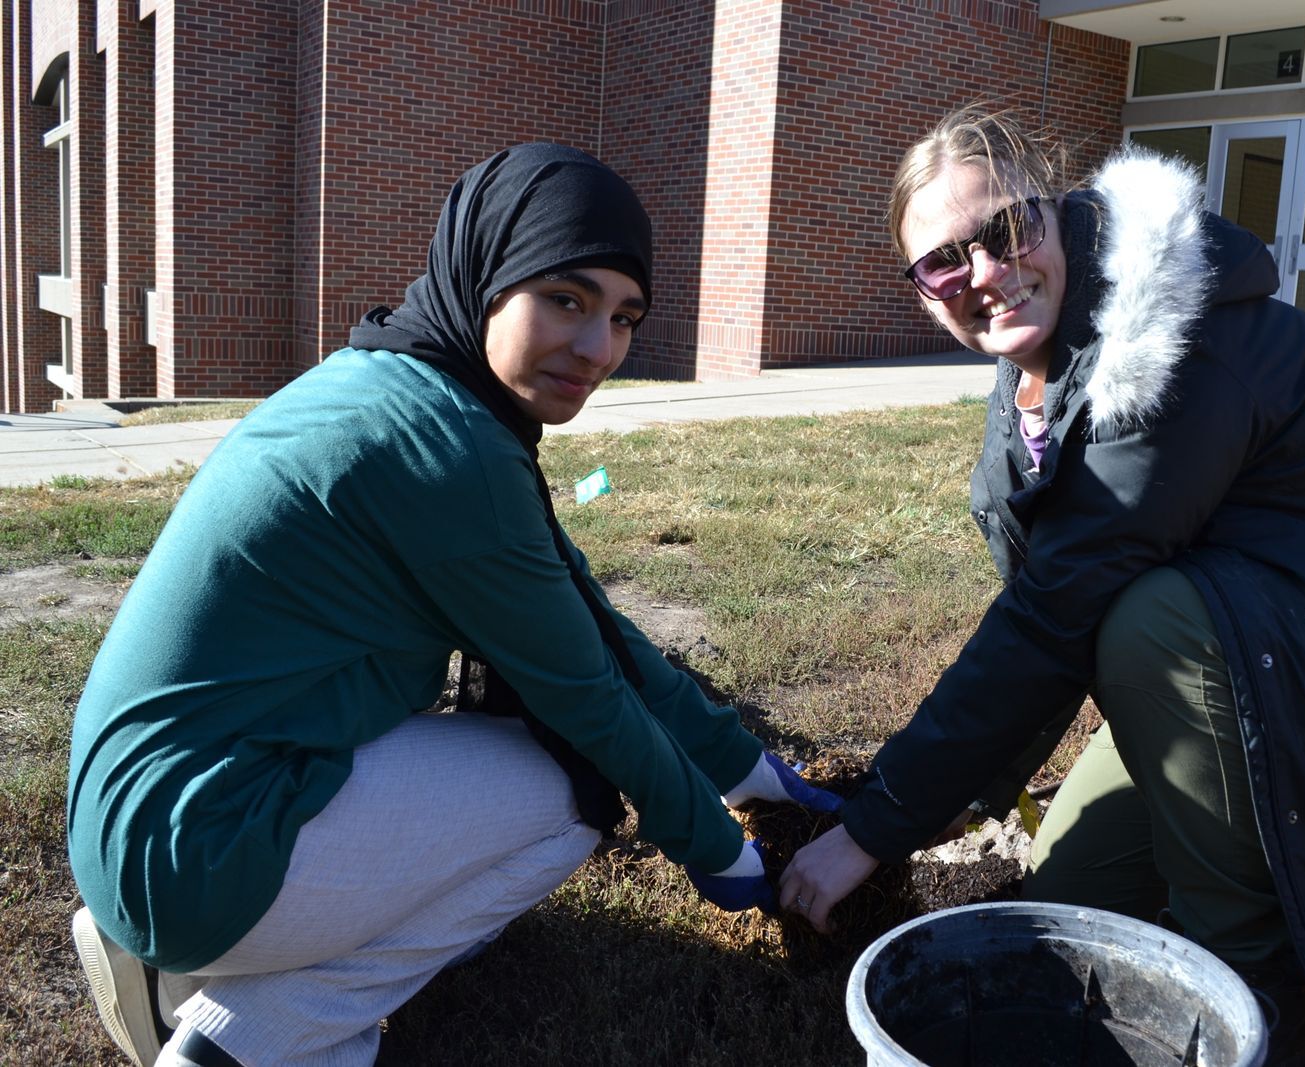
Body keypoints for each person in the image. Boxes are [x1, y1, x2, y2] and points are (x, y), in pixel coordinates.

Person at [779, 104, 1305, 1066]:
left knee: (1148, 623)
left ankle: (1260, 1000)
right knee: (1069, 893)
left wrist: (870, 830)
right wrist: (948, 790)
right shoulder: (1048, 351)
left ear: (1055, 207)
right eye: (945, 263)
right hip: (1283, 648)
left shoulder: (1166, 347)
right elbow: (1055, 604)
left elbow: (1054, 621)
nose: (987, 275)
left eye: (1004, 231)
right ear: (921, 290)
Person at [66, 143, 839, 1067]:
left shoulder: (401, 379)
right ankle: (251, 1040)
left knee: (537, 769)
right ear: (489, 274)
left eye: (624, 316)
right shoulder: (450, 453)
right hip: (195, 846)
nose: (598, 348)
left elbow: (584, 617)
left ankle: (180, 973)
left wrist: (742, 765)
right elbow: (588, 698)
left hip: (148, 807)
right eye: (566, 298)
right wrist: (729, 856)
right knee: (577, 791)